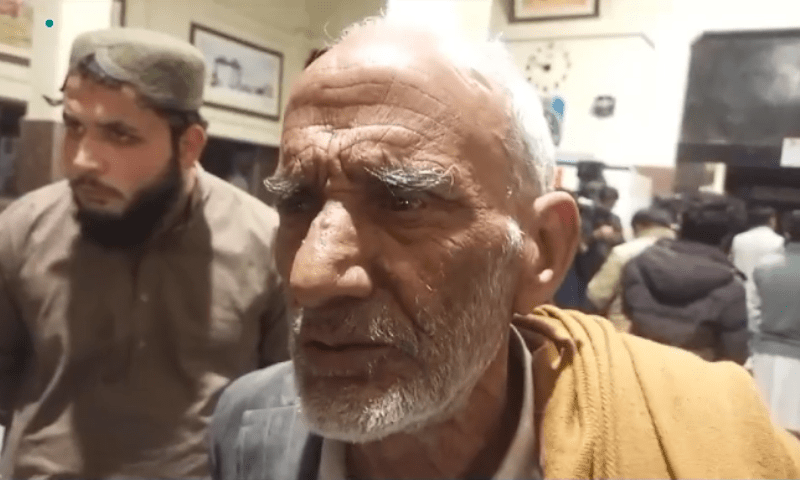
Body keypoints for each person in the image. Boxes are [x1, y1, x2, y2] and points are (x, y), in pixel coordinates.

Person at [209, 18, 800, 480]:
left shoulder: (701, 437)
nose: (310, 275)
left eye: (403, 204)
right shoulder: (244, 422)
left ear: (541, 249)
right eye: (296, 203)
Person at [0, 28, 288, 478]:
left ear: (189, 146)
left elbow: (279, 409)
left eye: (121, 135)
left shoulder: (266, 243)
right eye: (74, 127)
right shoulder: (23, 228)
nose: (82, 161)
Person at [622, 192, 749, 364]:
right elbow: (734, 355)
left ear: (680, 226)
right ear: (727, 237)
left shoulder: (639, 264)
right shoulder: (731, 288)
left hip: (637, 367)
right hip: (696, 380)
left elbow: (628, 313)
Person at [751, 209, 800, 440]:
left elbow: (751, 312)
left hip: (765, 356)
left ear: (787, 231)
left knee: (762, 431)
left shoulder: (765, 265)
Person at [587, 207, 675, 331]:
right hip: (677, 338)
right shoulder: (687, 253)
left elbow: (597, 295)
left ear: (638, 227)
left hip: (628, 333)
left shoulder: (624, 252)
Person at [730, 205, 785, 335]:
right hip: (764, 298)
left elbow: (733, 264)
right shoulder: (779, 242)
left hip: (740, 294)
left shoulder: (738, 239)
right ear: (772, 220)